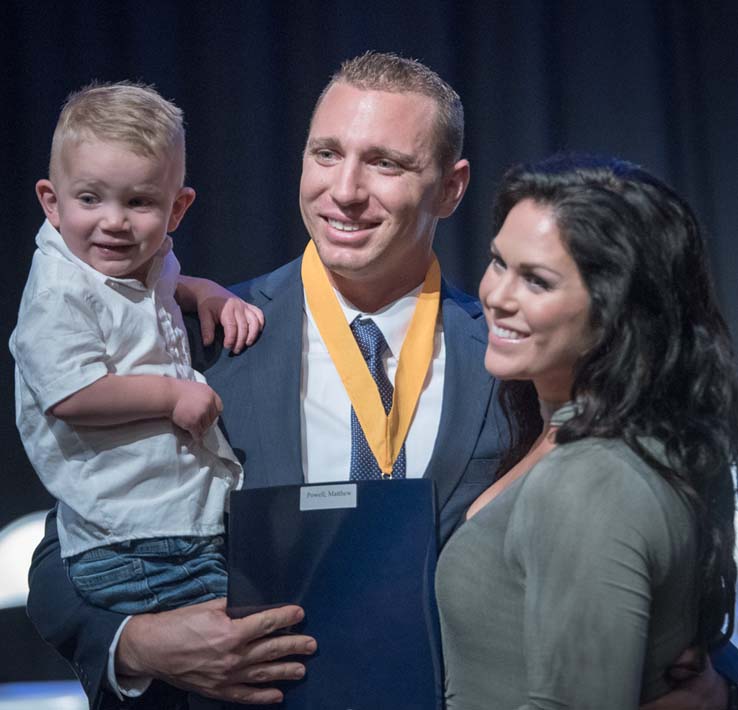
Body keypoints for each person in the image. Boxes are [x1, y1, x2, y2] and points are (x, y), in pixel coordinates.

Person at [25, 57, 736, 710]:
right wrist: (141, 644)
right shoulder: (197, 341)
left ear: (451, 187)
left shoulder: (519, 358)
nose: (346, 191)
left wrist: (721, 683)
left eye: (386, 163)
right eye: (326, 153)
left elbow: (660, 563)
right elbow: (73, 547)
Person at [435, 154, 738, 709]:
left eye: (537, 281)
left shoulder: (588, 478)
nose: (498, 295)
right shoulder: (579, 435)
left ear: (617, 312)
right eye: (499, 263)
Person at [11, 82, 264, 616]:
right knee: (247, 637)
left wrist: (203, 291)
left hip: (173, 526)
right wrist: (170, 394)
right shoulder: (59, 290)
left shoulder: (132, 266)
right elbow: (71, 393)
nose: (114, 221)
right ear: (51, 203)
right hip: (130, 542)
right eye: (89, 198)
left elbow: (150, 292)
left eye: (139, 202)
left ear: (177, 210)